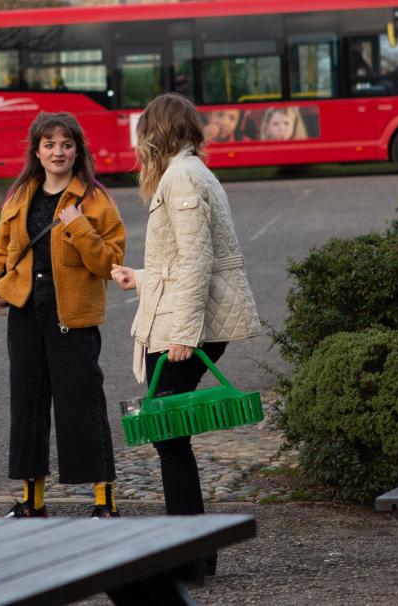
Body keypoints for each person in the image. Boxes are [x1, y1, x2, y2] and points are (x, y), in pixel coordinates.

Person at [110, 93, 261, 572]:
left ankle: (190, 553)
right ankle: (192, 553)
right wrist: (142, 276)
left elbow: (198, 262)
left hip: (185, 327)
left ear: (158, 133)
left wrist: (185, 335)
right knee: (169, 434)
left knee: (168, 435)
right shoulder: (191, 172)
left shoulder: (180, 178)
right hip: (183, 317)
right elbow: (184, 259)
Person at [0, 112, 126, 518]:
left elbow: (108, 262)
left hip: (72, 315)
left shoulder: (95, 198)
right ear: (37, 152)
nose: (57, 152)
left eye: (65, 144)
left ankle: (104, 502)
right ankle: (33, 502)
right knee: (28, 405)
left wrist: (79, 227)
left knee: (82, 404)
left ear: (77, 150)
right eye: (49, 144)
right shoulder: (21, 195)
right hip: (25, 313)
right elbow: (0, 251)